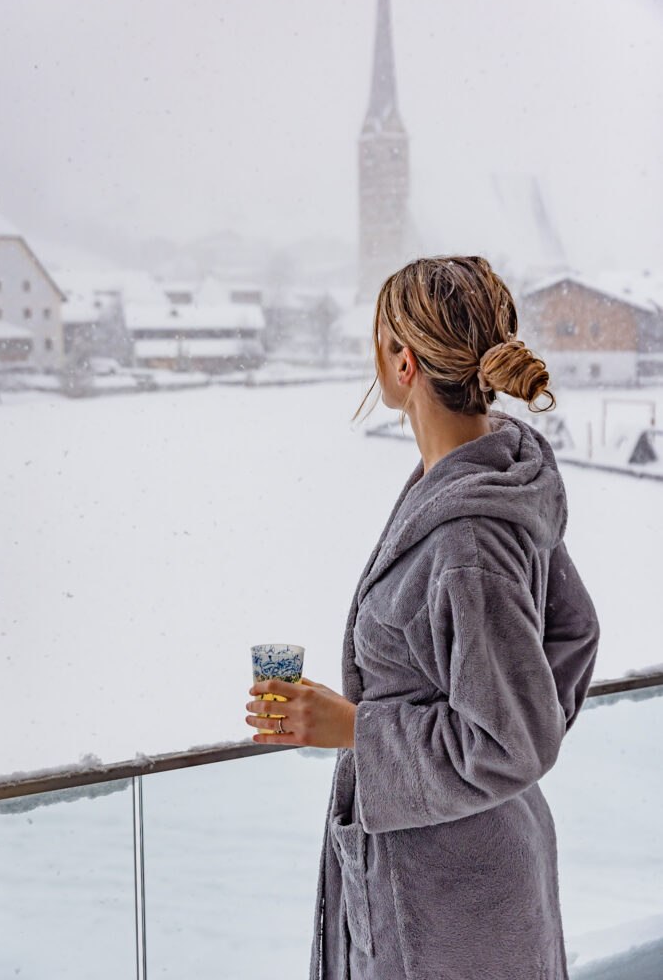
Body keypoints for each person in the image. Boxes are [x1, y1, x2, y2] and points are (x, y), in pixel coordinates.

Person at [244, 255, 600, 979]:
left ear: (403, 363)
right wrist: (484, 729)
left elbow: (510, 741)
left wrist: (356, 730)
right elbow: (571, 631)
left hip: (448, 904)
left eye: (376, 339)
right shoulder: (491, 484)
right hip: (476, 865)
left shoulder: (466, 533)